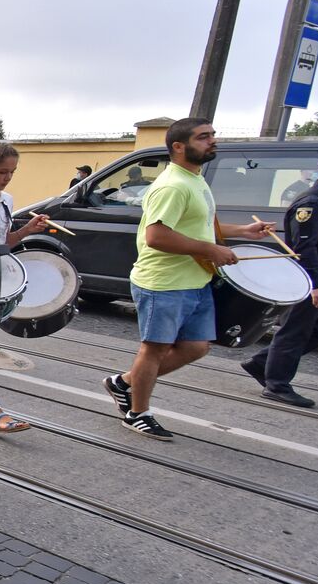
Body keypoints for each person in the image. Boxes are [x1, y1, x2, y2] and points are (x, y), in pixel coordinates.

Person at [103, 118, 271, 440]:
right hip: (163, 282)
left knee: (196, 347)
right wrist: (212, 249)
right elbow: (156, 236)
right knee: (154, 350)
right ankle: (137, 412)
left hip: (195, 279)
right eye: (203, 137)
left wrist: (241, 231)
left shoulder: (195, 179)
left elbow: (201, 224)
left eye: (212, 135)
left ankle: (123, 383)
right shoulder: (172, 185)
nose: (212, 141)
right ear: (179, 146)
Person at [0, 143, 50, 433]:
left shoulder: (7, 201)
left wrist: (28, 231)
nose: (7, 178)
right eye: (1, 171)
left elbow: (3, 244)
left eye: (12, 173)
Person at [242, 158, 318, 406]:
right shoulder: (311, 203)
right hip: (308, 278)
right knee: (295, 330)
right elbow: (304, 248)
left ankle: (262, 364)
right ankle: (277, 385)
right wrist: (317, 284)